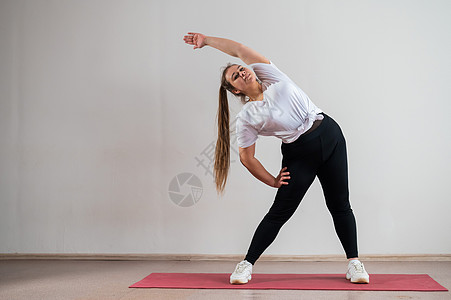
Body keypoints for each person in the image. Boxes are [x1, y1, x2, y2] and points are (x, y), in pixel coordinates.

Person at [183, 32, 370, 284]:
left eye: (241, 69)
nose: (242, 72)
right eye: (235, 76)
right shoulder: (248, 116)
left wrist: (206, 40)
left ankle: (354, 264)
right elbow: (247, 158)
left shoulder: (272, 76)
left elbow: (238, 49)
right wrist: (272, 180)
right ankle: (246, 264)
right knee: (280, 211)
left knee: (339, 204)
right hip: (300, 153)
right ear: (234, 89)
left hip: (330, 135)